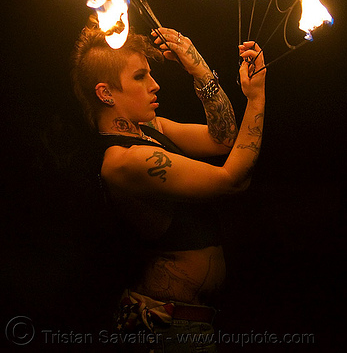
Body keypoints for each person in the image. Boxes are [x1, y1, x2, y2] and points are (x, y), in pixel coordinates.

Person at [72, 24, 266, 352]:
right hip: (165, 330)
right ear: (105, 93)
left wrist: (197, 66)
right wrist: (257, 96)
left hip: (186, 324)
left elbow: (223, 139)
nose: (154, 84)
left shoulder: (149, 128)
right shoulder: (124, 162)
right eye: (139, 77)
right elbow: (231, 180)